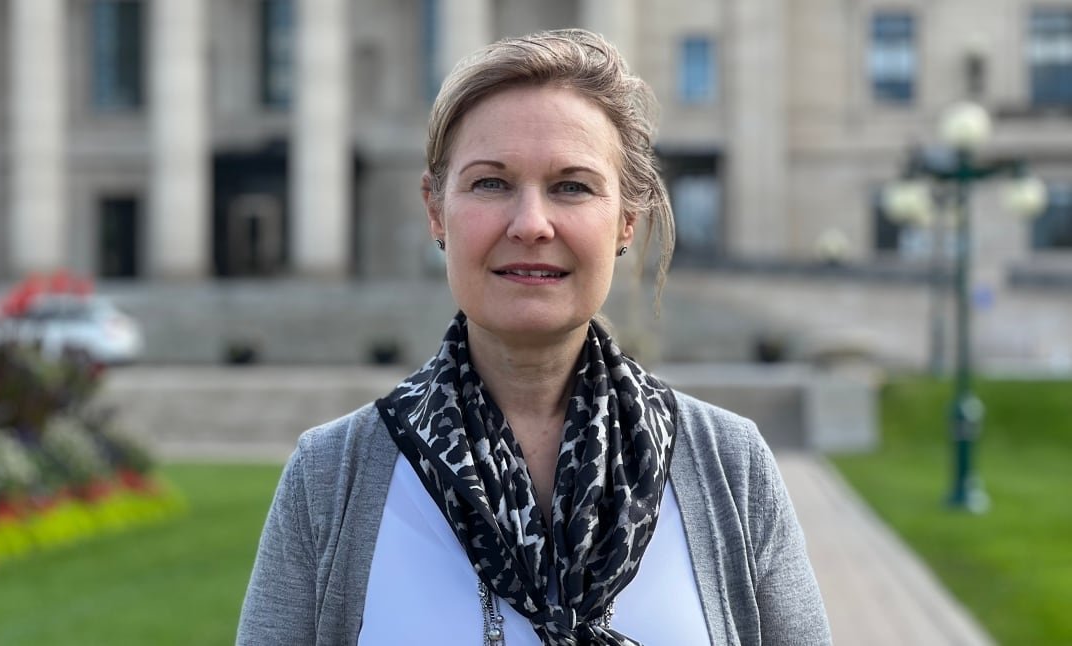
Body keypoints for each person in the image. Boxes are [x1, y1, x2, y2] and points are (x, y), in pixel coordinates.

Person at [237, 29, 831, 646]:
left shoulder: (729, 465)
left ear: (627, 219)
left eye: (572, 186)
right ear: (436, 209)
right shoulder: (332, 476)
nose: (530, 224)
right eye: (490, 183)